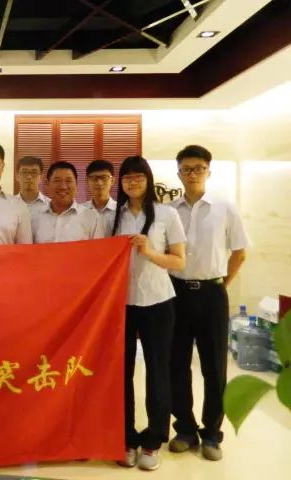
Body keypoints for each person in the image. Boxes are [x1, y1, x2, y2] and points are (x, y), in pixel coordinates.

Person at [168, 145, 250, 461]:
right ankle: (185, 429)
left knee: (214, 367)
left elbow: (240, 252)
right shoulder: (168, 210)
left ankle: (212, 434)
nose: (192, 174)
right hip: (176, 294)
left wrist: (220, 286)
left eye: (198, 168)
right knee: (176, 364)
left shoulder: (225, 208)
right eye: (186, 169)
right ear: (178, 173)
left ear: (208, 171)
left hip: (212, 295)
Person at [112, 155, 186, 471]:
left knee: (157, 373)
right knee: (121, 374)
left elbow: (179, 261)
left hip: (158, 302)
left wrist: (149, 251)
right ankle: (126, 438)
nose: (132, 182)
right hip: (120, 304)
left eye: (138, 176)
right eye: (127, 177)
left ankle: (154, 441)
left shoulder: (167, 214)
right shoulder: (113, 216)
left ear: (148, 179)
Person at [31, 161, 94, 243]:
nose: (63, 187)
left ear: (76, 184)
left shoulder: (92, 218)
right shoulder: (33, 217)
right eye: (57, 181)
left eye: (68, 181)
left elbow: (99, 250)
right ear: (47, 184)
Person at [82, 159, 117, 238]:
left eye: (104, 178)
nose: (99, 183)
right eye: (94, 178)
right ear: (87, 181)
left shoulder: (120, 211)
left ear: (112, 180)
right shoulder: (80, 211)